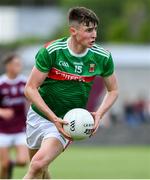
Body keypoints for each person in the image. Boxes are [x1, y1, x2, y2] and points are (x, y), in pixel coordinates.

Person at [24, 7, 118, 179]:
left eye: (95, 29)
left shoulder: (102, 57)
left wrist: (99, 114)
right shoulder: (52, 51)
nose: (94, 34)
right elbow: (30, 89)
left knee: (37, 165)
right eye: (89, 30)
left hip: (68, 123)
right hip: (38, 116)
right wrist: (52, 118)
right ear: (73, 31)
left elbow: (113, 90)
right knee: (40, 171)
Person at [0, 54, 29, 179]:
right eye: (16, 64)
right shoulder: (1, 83)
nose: (19, 67)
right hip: (2, 130)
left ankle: (11, 164)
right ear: (8, 66)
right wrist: (1, 112)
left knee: (23, 161)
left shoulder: (25, 82)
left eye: (20, 64)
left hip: (20, 128)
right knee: (4, 165)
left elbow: (32, 98)